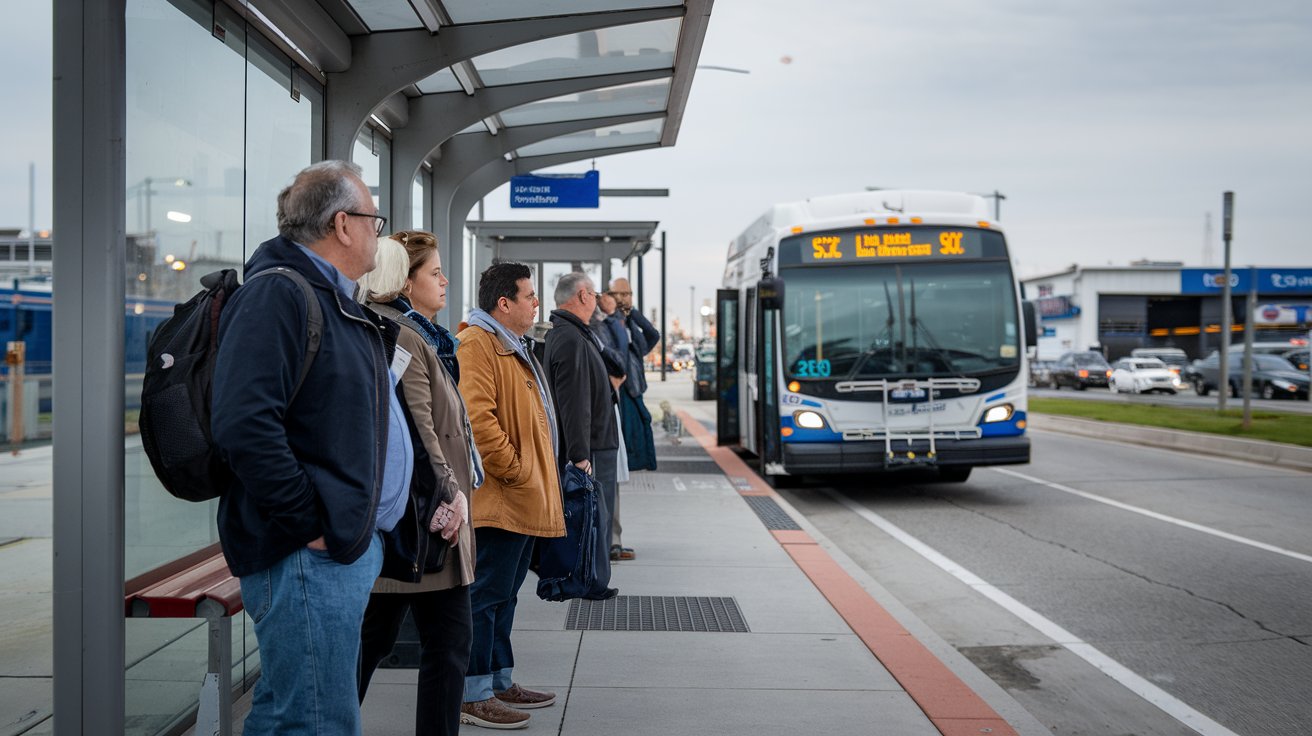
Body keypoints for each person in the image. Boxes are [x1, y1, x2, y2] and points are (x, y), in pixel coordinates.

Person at [211, 160, 412, 736]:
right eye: (375, 218)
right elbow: (244, 425)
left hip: (332, 551)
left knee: (288, 713)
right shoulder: (280, 294)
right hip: (306, 556)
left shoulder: (334, 299)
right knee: (317, 721)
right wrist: (310, 523)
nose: (380, 231)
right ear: (343, 224)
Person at [356, 232, 481, 736]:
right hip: (425, 520)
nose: (445, 280)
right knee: (442, 643)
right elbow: (417, 427)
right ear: (404, 280)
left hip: (417, 518)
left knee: (383, 640)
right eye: (434, 272)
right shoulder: (404, 337)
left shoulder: (418, 335)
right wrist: (450, 494)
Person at [456, 262, 565, 730]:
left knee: (505, 596)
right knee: (486, 596)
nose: (536, 303)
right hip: (500, 499)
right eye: (529, 296)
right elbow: (477, 421)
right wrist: (517, 471)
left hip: (520, 498)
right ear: (505, 303)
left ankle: (499, 681)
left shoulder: (512, 344)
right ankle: (474, 692)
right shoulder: (478, 344)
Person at [545, 272, 622, 597]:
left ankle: (592, 578)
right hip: (591, 447)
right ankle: (591, 581)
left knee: (597, 516)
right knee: (594, 518)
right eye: (591, 293)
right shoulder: (572, 338)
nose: (595, 299)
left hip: (595, 444)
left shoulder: (575, 334)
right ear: (582, 295)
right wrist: (580, 455)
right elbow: (574, 402)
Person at [606, 277, 662, 560]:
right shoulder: (608, 323)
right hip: (619, 395)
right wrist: (617, 314)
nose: (625, 298)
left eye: (628, 293)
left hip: (633, 392)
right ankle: (611, 539)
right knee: (612, 467)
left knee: (625, 462)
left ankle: (613, 538)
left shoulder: (629, 324)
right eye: (620, 293)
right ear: (609, 294)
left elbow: (652, 336)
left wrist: (633, 312)